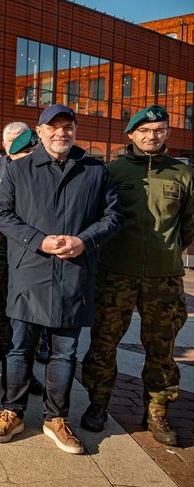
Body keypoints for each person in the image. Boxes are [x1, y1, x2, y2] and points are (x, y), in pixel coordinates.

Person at [0, 103, 122, 454]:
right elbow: (0, 214)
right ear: (41, 131)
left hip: (74, 275)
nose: (61, 133)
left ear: (75, 131)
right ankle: (12, 412)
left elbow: (113, 217)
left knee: (64, 353)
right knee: (19, 349)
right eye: (54, 127)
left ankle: (56, 418)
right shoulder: (21, 169)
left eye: (68, 127)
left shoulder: (95, 170)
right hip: (29, 274)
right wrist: (38, 240)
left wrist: (84, 241)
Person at [81, 105, 194, 446]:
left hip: (165, 277)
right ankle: (98, 404)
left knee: (161, 349)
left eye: (159, 130)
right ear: (130, 135)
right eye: (144, 130)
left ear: (167, 134)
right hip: (115, 274)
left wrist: (168, 251)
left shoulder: (182, 174)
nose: (152, 136)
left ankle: (157, 413)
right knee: (104, 344)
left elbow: (188, 225)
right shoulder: (111, 171)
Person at [0, 124, 46, 396]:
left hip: (34, 253)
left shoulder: (44, 168)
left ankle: (27, 371)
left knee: (31, 316)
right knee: (2, 313)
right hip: (1, 252)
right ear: (3, 142)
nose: (17, 144)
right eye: (11, 139)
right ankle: (7, 369)